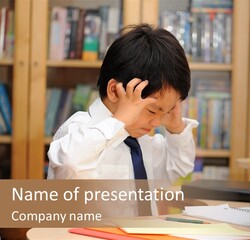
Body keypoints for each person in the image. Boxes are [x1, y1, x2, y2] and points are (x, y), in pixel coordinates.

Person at [47, 24, 198, 215]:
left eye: (164, 112)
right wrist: (120, 121)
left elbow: (178, 169)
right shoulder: (78, 130)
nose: (157, 123)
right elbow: (70, 164)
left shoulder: (142, 143)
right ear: (114, 91)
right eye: (151, 111)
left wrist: (176, 128)